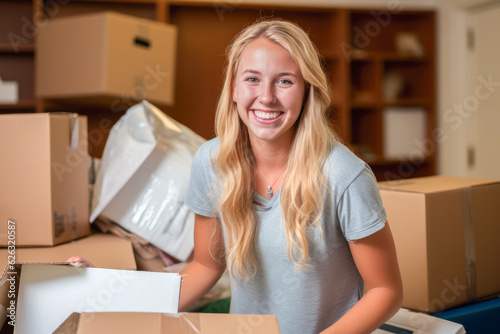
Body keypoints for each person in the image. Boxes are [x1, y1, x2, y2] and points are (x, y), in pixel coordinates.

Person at [178, 19, 403, 334]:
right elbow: (205, 265)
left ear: (307, 90)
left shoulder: (343, 176)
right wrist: (114, 300)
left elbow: (385, 290)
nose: (267, 97)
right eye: (252, 79)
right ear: (233, 88)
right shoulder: (211, 161)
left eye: (284, 81)